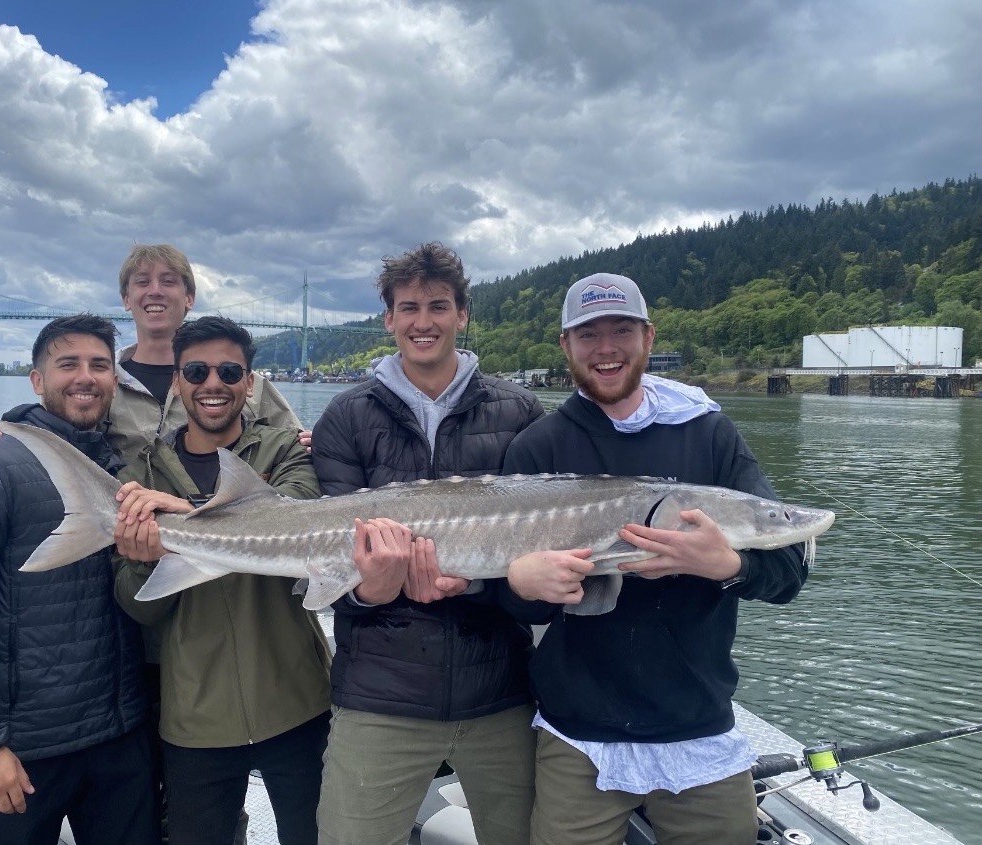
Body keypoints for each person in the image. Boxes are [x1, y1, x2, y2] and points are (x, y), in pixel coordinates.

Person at [500, 273, 809, 845]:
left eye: (622, 330)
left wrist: (726, 565)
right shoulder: (538, 446)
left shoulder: (708, 435)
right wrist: (521, 584)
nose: (607, 348)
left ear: (648, 336)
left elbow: (790, 573)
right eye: (589, 334)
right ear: (566, 346)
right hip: (577, 735)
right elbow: (509, 607)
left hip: (697, 725)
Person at [309, 242, 544, 845]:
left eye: (438, 306)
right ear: (387, 319)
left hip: (501, 691)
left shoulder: (522, 413)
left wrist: (484, 584)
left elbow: (539, 564)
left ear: (463, 314)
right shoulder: (346, 416)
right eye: (408, 307)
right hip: (380, 695)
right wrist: (371, 590)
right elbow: (332, 563)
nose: (423, 322)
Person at [0, 315, 157, 845]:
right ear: (36, 379)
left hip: (119, 738)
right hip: (19, 750)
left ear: (115, 380)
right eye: (67, 364)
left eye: (99, 365)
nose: (85, 377)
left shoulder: (123, 475)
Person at [111, 316, 331, 845]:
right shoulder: (140, 477)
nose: (214, 383)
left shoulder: (286, 452)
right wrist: (143, 559)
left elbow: (299, 519)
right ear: (178, 382)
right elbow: (135, 606)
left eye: (230, 370)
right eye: (198, 370)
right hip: (194, 717)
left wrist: (185, 518)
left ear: (249, 383)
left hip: (298, 702)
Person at [0, 243, 301, 455]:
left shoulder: (239, 380)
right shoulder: (98, 384)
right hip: (124, 545)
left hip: (218, 543)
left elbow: (296, 450)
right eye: (142, 282)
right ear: (126, 299)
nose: (155, 291)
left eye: (169, 281)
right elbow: (47, 438)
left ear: (190, 299)